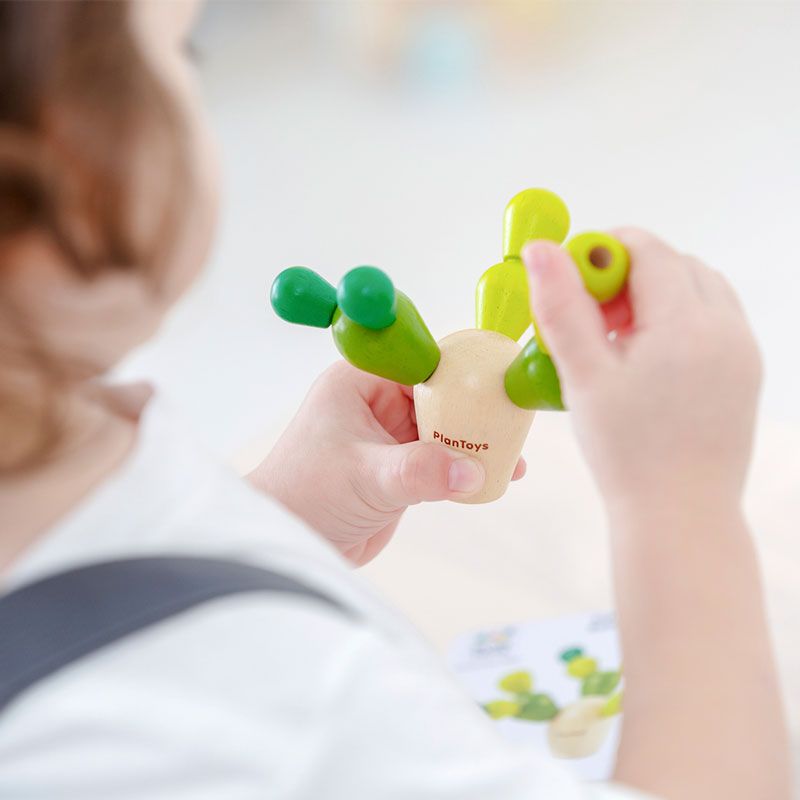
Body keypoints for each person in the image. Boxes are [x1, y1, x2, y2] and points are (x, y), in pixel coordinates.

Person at [0, 2, 790, 799]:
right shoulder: (309, 729)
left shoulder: (55, 450)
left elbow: (101, 590)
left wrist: (275, 526)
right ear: (66, 181)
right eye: (184, 55)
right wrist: (684, 500)